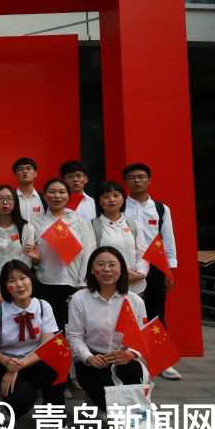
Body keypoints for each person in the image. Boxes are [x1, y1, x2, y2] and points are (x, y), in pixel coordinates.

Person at [0, 261, 73, 429]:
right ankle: (8, 407)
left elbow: (47, 345)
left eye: (23, 278)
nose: (19, 284)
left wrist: (19, 366)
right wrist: (7, 363)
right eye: (12, 281)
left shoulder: (43, 306)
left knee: (56, 363)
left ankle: (55, 420)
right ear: (5, 286)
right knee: (23, 399)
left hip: (33, 360)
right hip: (4, 363)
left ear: (31, 279)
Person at [66, 246, 148, 412]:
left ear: (121, 270)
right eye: (101, 264)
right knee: (108, 403)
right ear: (92, 270)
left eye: (112, 265)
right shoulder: (79, 299)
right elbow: (74, 336)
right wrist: (88, 357)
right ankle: (97, 400)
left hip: (123, 357)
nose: (106, 269)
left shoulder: (135, 301)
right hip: (94, 359)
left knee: (133, 384)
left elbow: (143, 336)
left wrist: (131, 354)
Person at [123, 162, 181, 380]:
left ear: (149, 180)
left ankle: (162, 362)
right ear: (126, 182)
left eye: (141, 177)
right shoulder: (120, 205)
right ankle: (129, 360)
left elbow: (168, 240)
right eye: (132, 177)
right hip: (128, 265)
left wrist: (170, 270)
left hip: (155, 266)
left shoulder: (160, 208)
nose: (136, 181)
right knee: (126, 313)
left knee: (156, 312)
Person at [32, 178, 96, 331]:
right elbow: (32, 255)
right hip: (46, 282)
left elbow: (89, 251)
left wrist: (83, 281)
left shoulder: (80, 221)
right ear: (45, 196)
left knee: (74, 328)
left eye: (62, 192)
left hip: (75, 283)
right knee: (50, 329)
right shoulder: (35, 223)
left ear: (68, 195)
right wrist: (35, 261)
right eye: (52, 192)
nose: (57, 196)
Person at [94, 182, 148, 295]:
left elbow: (142, 252)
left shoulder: (133, 224)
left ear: (123, 198)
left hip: (134, 285)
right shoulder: (92, 226)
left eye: (116, 195)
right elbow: (90, 257)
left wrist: (140, 273)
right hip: (105, 286)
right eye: (106, 197)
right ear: (99, 201)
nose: (112, 200)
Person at [0, 185, 38, 299]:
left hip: (21, 288)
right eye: (0, 198)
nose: (5, 202)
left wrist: (17, 284)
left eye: (9, 198)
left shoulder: (26, 228)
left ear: (15, 202)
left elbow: (27, 261)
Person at [13, 157, 45, 222]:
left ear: (35, 174)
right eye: (20, 169)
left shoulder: (44, 197)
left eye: (28, 168)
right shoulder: (11, 198)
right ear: (15, 175)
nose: (24, 171)